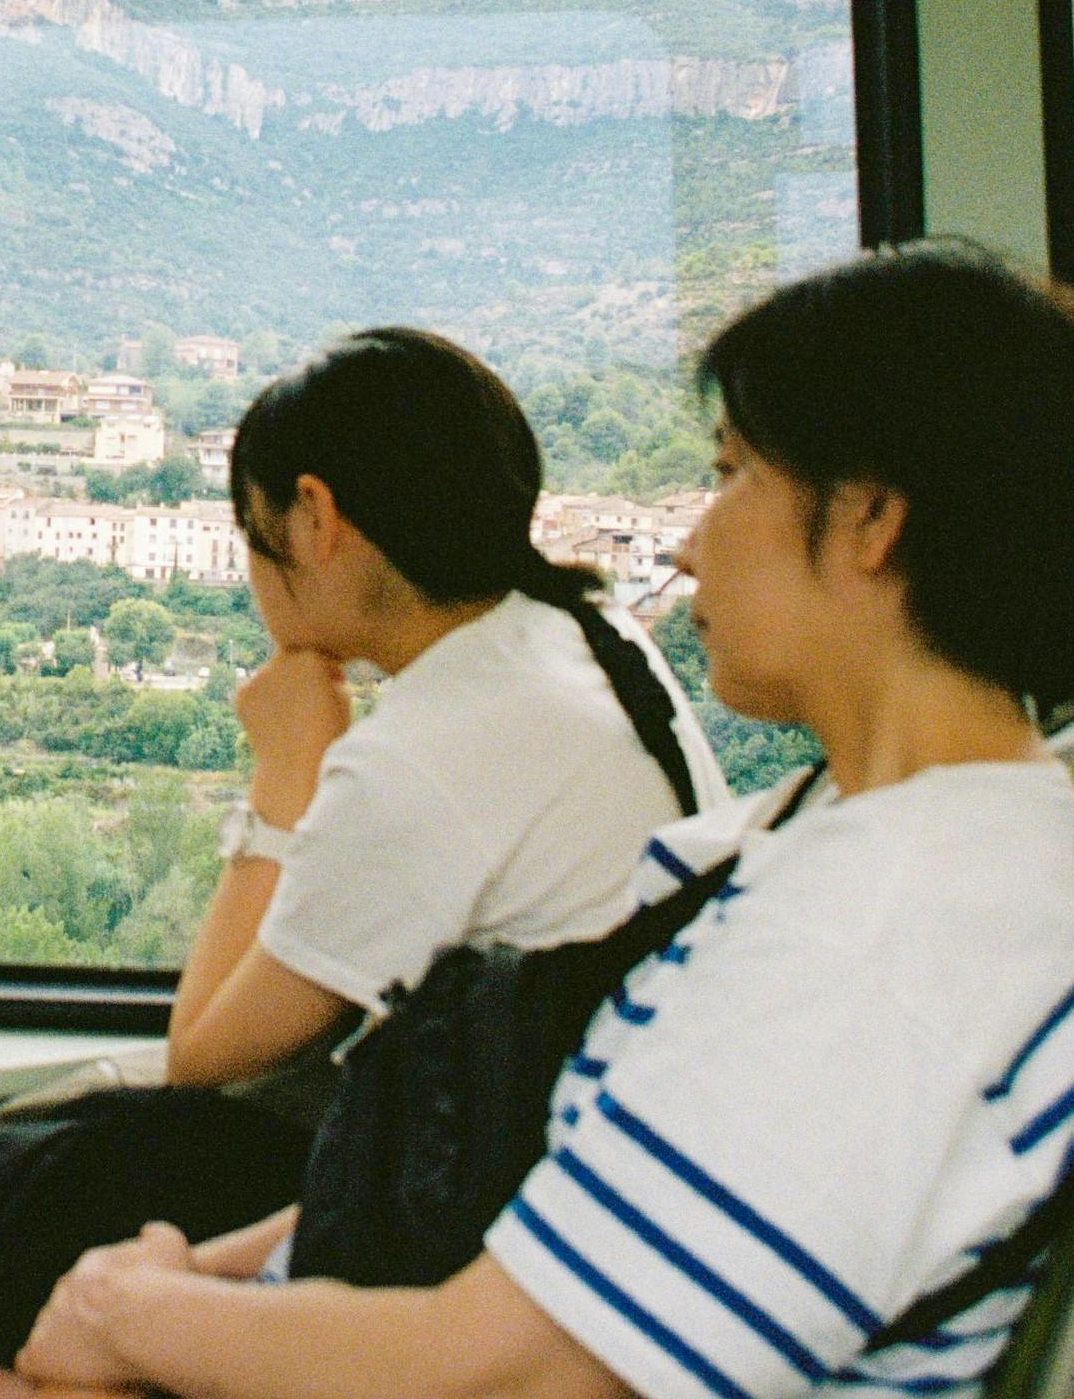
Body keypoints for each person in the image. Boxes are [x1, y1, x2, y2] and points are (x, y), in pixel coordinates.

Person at [0, 243, 1074, 1399]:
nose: (689, 531)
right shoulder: (851, 829)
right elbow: (552, 1194)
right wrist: (193, 1279)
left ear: (872, 519)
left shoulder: (883, 934)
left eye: (731, 475)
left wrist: (131, 1309)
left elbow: (520, 1372)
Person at [166, 327, 725, 1092]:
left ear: (314, 517)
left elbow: (199, 1057)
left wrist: (285, 772)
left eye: (250, 529)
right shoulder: (585, 631)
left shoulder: (421, 753)